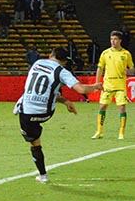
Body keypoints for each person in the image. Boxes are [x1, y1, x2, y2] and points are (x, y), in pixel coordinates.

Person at [15, 48, 103, 183]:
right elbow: (82, 89)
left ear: (51, 55)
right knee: (51, 91)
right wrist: (95, 86)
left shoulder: (37, 63)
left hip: (27, 112)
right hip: (46, 113)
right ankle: (42, 175)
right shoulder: (62, 71)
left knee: (35, 143)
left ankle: (43, 176)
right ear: (63, 61)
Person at [92, 30, 134, 140]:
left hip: (120, 85)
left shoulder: (126, 54)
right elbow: (100, 68)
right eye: (111, 39)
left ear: (120, 40)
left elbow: (132, 69)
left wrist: (128, 72)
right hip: (107, 85)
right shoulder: (105, 53)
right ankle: (99, 131)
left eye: (115, 39)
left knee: (122, 108)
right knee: (102, 106)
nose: (113, 41)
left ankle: (121, 133)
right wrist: (97, 82)